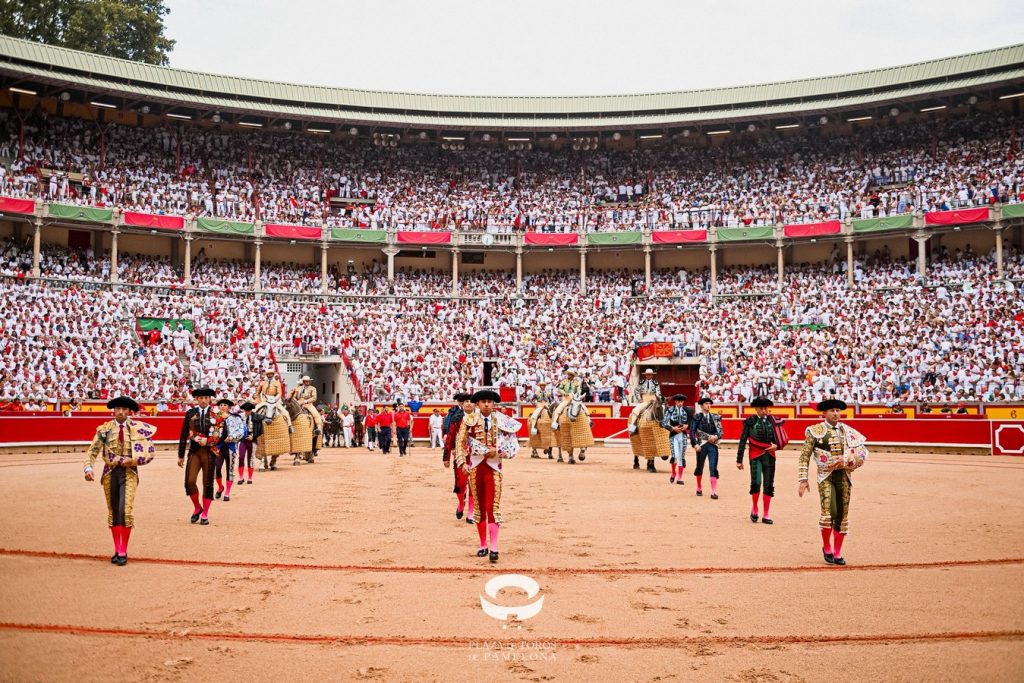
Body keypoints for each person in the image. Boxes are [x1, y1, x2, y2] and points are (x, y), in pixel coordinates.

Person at [83, 396, 156, 566]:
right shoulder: (104, 429)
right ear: (113, 410)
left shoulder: (138, 428)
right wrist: (88, 468)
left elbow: (150, 453)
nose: (121, 412)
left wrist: (132, 461)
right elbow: (92, 450)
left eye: (124, 409)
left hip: (130, 472)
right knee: (114, 511)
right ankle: (117, 548)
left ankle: (123, 550)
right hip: (110, 472)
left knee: (126, 509)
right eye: (118, 409)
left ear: (129, 411)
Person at [798, 398, 869, 566]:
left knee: (842, 514)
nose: (836, 413)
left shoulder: (848, 431)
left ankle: (837, 552)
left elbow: (862, 453)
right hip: (825, 476)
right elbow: (804, 456)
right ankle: (827, 547)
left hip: (844, 476)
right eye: (832, 410)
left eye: (838, 410)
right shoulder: (815, 431)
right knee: (829, 512)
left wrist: (846, 460)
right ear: (824, 413)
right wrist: (803, 479)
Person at [455, 389, 520, 563]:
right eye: (483, 401)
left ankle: (494, 547)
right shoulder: (469, 419)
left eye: (489, 402)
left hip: (493, 468)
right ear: (477, 404)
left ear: (493, 404)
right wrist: (462, 463)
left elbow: (512, 444)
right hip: (476, 468)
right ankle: (483, 545)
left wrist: (497, 451)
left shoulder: (502, 421)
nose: (486, 404)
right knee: (479, 507)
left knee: (493, 507)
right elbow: (460, 442)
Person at [177, 387, 223, 525]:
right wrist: (180, 455)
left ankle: (205, 513)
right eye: (200, 398)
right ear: (196, 399)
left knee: (207, 483)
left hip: (209, 452)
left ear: (210, 399)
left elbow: (222, 434)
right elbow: (184, 433)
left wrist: (208, 441)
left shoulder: (217, 413)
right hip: (195, 451)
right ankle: (197, 507)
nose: (203, 400)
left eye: (206, 398)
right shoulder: (190, 413)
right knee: (190, 481)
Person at [737, 396, 780, 523]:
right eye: (761, 408)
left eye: (766, 408)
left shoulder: (773, 421)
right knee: (756, 483)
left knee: (768, 485)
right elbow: (743, 440)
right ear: (756, 409)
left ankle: (766, 514)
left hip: (770, 456)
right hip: (755, 456)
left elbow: (779, 438)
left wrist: (777, 446)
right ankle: (755, 507)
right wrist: (739, 460)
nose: (764, 410)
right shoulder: (750, 421)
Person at [443, 393, 474, 521]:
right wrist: (446, 456)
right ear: (462, 403)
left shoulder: (480, 418)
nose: (468, 403)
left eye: (471, 401)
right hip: (460, 455)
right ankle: (461, 503)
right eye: (466, 401)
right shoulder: (456, 418)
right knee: (460, 484)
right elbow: (450, 437)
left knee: (474, 484)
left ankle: (471, 512)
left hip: (476, 456)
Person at [690, 397, 723, 498]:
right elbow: (692, 432)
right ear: (701, 405)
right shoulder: (697, 417)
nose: (709, 405)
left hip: (713, 445)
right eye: (706, 404)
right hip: (701, 445)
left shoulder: (715, 417)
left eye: (710, 404)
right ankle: (699, 487)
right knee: (700, 467)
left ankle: (713, 491)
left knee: (713, 467)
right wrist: (695, 444)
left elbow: (720, 432)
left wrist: (716, 436)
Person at [215, 399, 244, 502]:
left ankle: (227, 492)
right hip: (219, 447)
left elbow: (242, 431)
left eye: (224, 405)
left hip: (231, 447)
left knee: (230, 471)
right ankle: (220, 487)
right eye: (221, 405)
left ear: (229, 407)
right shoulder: (214, 418)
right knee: (217, 469)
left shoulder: (236, 418)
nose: (222, 406)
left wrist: (231, 437)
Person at [661, 393, 691, 486]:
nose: (680, 403)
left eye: (682, 401)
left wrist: (687, 426)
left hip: (683, 436)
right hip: (673, 435)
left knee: (681, 456)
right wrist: (673, 428)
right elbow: (663, 423)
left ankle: (680, 477)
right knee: (675, 455)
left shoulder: (687, 410)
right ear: (675, 402)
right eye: (678, 401)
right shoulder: (670, 410)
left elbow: (693, 422)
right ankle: (674, 472)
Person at [238, 401, 259, 485]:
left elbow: (258, 428)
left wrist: (253, 436)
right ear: (244, 410)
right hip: (242, 439)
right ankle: (241, 477)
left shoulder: (255, 417)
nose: (247, 412)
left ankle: (250, 478)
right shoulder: (239, 417)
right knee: (241, 457)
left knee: (250, 459)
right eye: (246, 410)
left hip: (251, 439)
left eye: (249, 410)